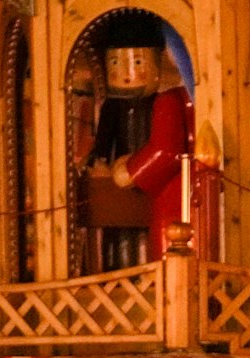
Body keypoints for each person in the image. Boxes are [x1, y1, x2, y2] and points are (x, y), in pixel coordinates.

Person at [85, 13, 193, 266]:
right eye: (114, 63)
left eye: (137, 61)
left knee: (147, 231)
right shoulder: (112, 106)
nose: (126, 73)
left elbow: (164, 147)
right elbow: (104, 137)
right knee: (117, 235)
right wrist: (98, 160)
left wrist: (136, 168)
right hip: (120, 177)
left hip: (147, 180)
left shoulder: (162, 102)